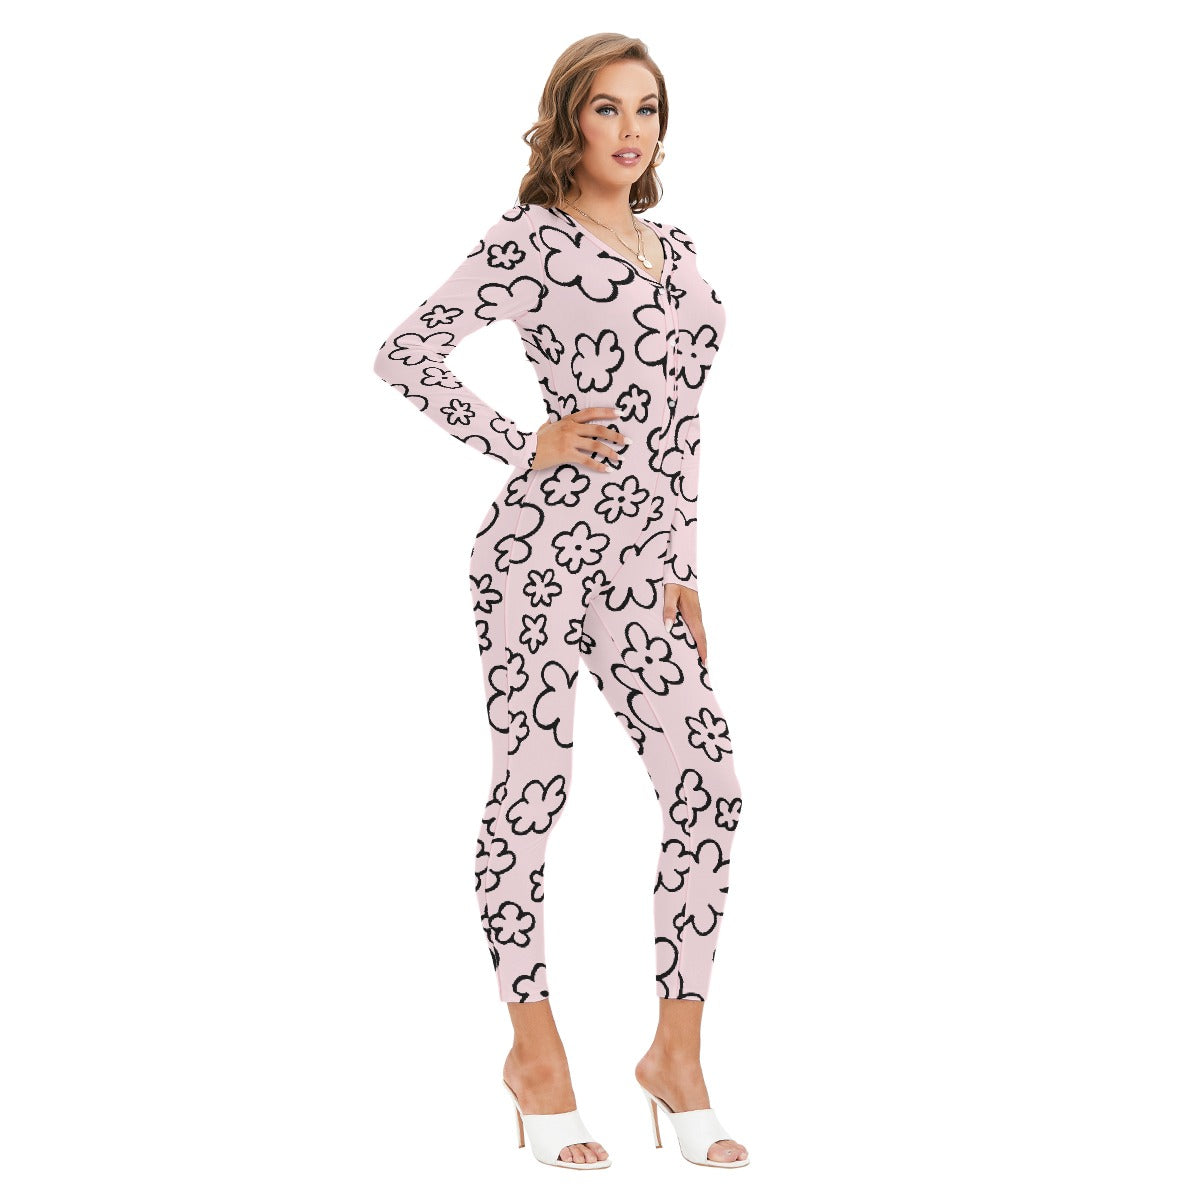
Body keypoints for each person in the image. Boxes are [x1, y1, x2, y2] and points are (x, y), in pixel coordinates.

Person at [373, 34, 750, 1170]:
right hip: (537, 558)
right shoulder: (529, 240)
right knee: (533, 794)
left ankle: (675, 1053)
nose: (630, 131)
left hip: (642, 573)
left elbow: (682, 429)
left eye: (647, 109)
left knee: (711, 790)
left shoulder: (677, 252)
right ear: (567, 122)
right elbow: (404, 355)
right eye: (606, 109)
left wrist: (683, 568)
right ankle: (533, 1051)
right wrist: (522, 442)